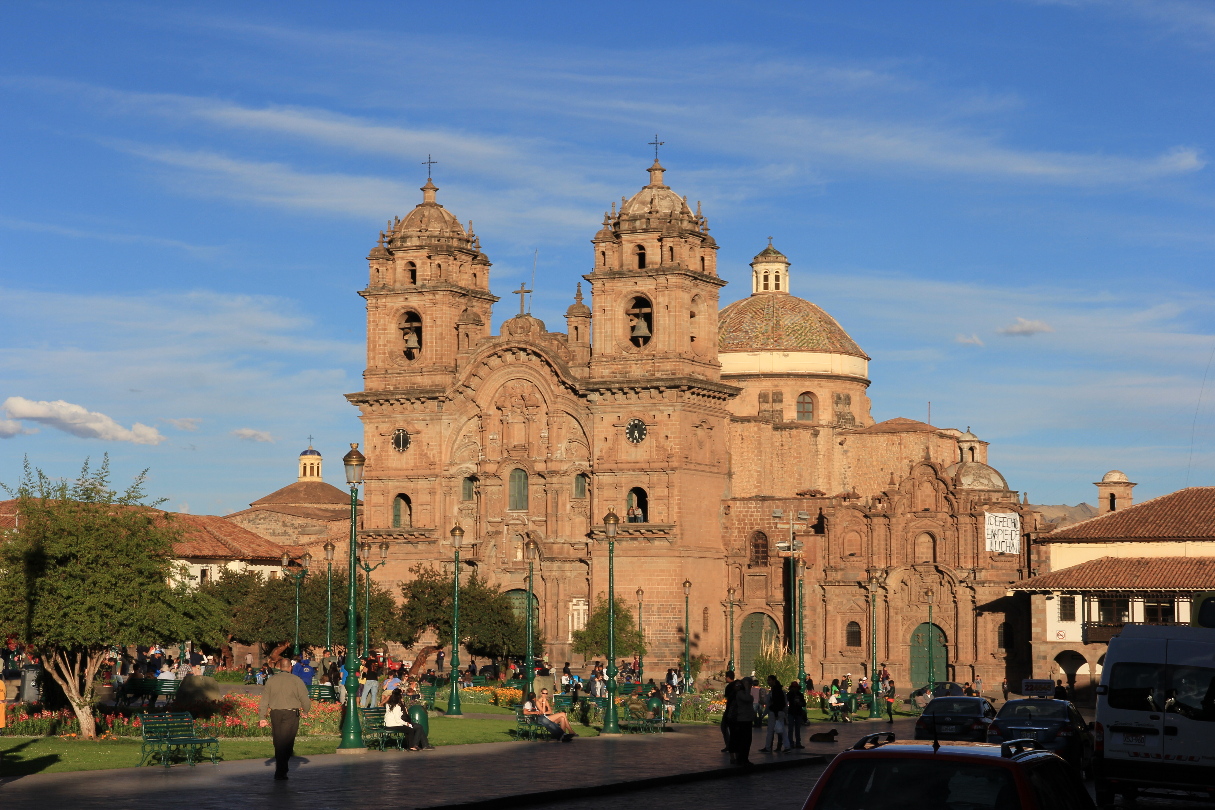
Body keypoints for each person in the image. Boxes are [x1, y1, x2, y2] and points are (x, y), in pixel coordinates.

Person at [258, 667, 311, 780]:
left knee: (278, 740)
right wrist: (306, 711)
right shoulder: (296, 680)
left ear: (280, 667)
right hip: (291, 713)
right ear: (290, 667)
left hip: (275, 713)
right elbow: (304, 698)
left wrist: (262, 716)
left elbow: (264, 700)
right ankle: (281, 770)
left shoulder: (271, 680)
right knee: (287, 741)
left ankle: (281, 768)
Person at [728, 676, 756, 765]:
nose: (751, 686)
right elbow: (747, 699)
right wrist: (747, 688)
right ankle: (742, 759)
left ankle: (744, 758)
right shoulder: (740, 693)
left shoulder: (743, 693)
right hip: (743, 720)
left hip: (747, 719)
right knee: (744, 740)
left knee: (747, 740)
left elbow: (750, 699)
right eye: (750, 684)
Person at [759, 675, 789, 753]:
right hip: (780, 712)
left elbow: (772, 704)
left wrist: (773, 714)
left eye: (769, 680)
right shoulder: (781, 691)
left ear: (774, 681)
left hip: (774, 713)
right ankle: (787, 746)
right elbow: (784, 703)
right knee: (782, 730)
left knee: (770, 731)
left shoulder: (774, 692)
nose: (768, 682)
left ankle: (768, 747)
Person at [719, 669, 736, 751]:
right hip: (736, 709)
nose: (725, 679)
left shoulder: (729, 686)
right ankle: (732, 745)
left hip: (730, 709)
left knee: (724, 727)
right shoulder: (737, 685)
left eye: (726, 677)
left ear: (728, 677)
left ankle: (729, 745)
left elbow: (727, 697)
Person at [787, 681, 806, 749]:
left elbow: (804, 703)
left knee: (797, 729)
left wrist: (800, 703)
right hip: (791, 712)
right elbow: (787, 700)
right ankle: (790, 742)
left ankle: (798, 743)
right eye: (793, 687)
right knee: (790, 729)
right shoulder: (789, 694)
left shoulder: (800, 694)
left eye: (795, 687)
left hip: (798, 712)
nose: (794, 689)